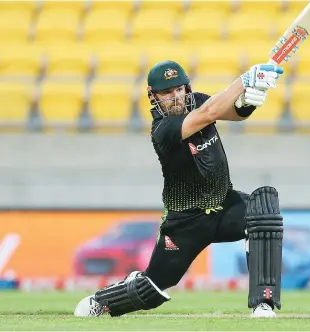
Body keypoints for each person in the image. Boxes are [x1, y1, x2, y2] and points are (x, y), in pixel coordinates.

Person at [74, 60, 285, 318]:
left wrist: (246, 102)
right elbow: (208, 114)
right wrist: (244, 81)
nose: (175, 97)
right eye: (167, 93)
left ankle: (263, 303)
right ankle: (101, 300)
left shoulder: (197, 101)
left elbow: (232, 113)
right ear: (154, 97)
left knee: (263, 210)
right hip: (186, 221)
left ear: (186, 88)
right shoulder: (163, 130)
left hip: (224, 205)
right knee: (151, 290)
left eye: (178, 90)